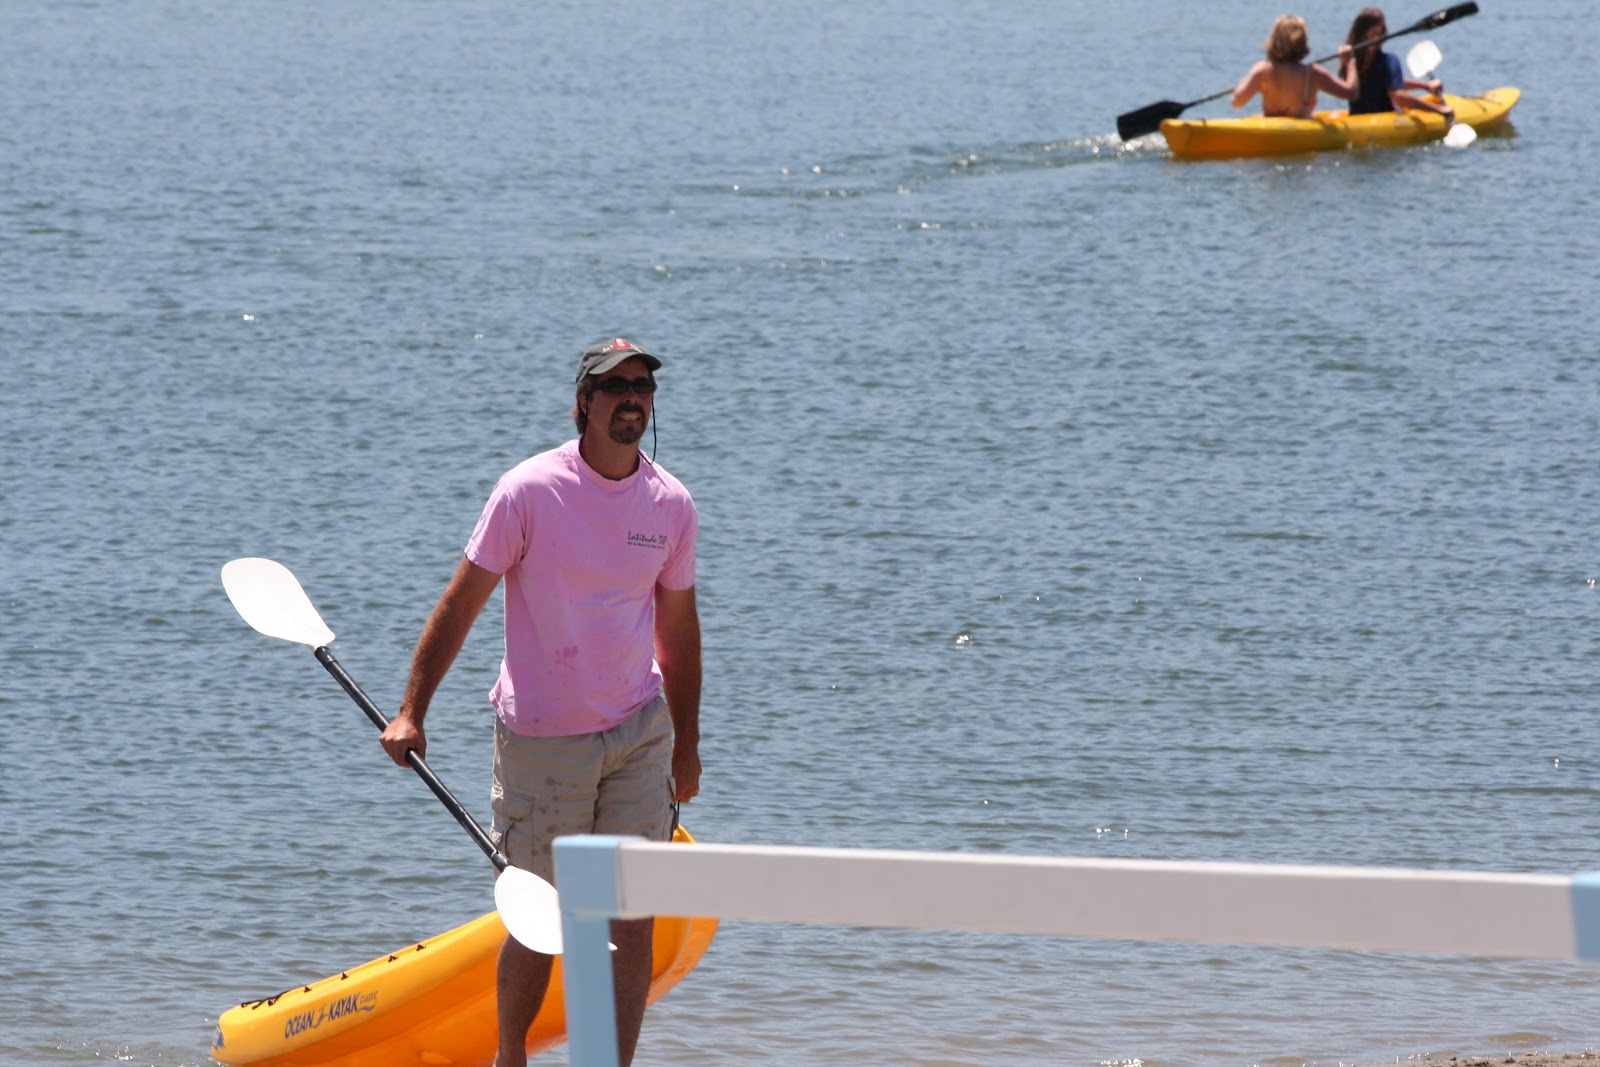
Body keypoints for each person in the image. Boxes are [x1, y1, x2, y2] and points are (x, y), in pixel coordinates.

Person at [379, 337, 702, 1067]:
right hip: (542, 741)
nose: (632, 398)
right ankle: (511, 1058)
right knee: (538, 915)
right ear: (584, 402)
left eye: (643, 387)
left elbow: (678, 633)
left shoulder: (671, 505)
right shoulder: (527, 491)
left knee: (630, 915)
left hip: (638, 734)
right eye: (616, 386)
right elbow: (461, 602)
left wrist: (686, 745)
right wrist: (412, 710)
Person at [1232, 14, 1359, 118]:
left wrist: (1250, 81)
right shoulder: (1314, 73)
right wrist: (1350, 63)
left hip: (1273, 136)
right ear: (1302, 41)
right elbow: (1351, 93)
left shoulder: (1262, 70)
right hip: (1304, 137)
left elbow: (1237, 101)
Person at [1340, 8, 1455, 122]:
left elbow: (1385, 82)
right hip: (1383, 123)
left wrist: (1425, 86)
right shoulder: (1389, 60)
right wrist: (1438, 109)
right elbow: (1398, 95)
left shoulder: (1350, 62)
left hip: (1356, 120)